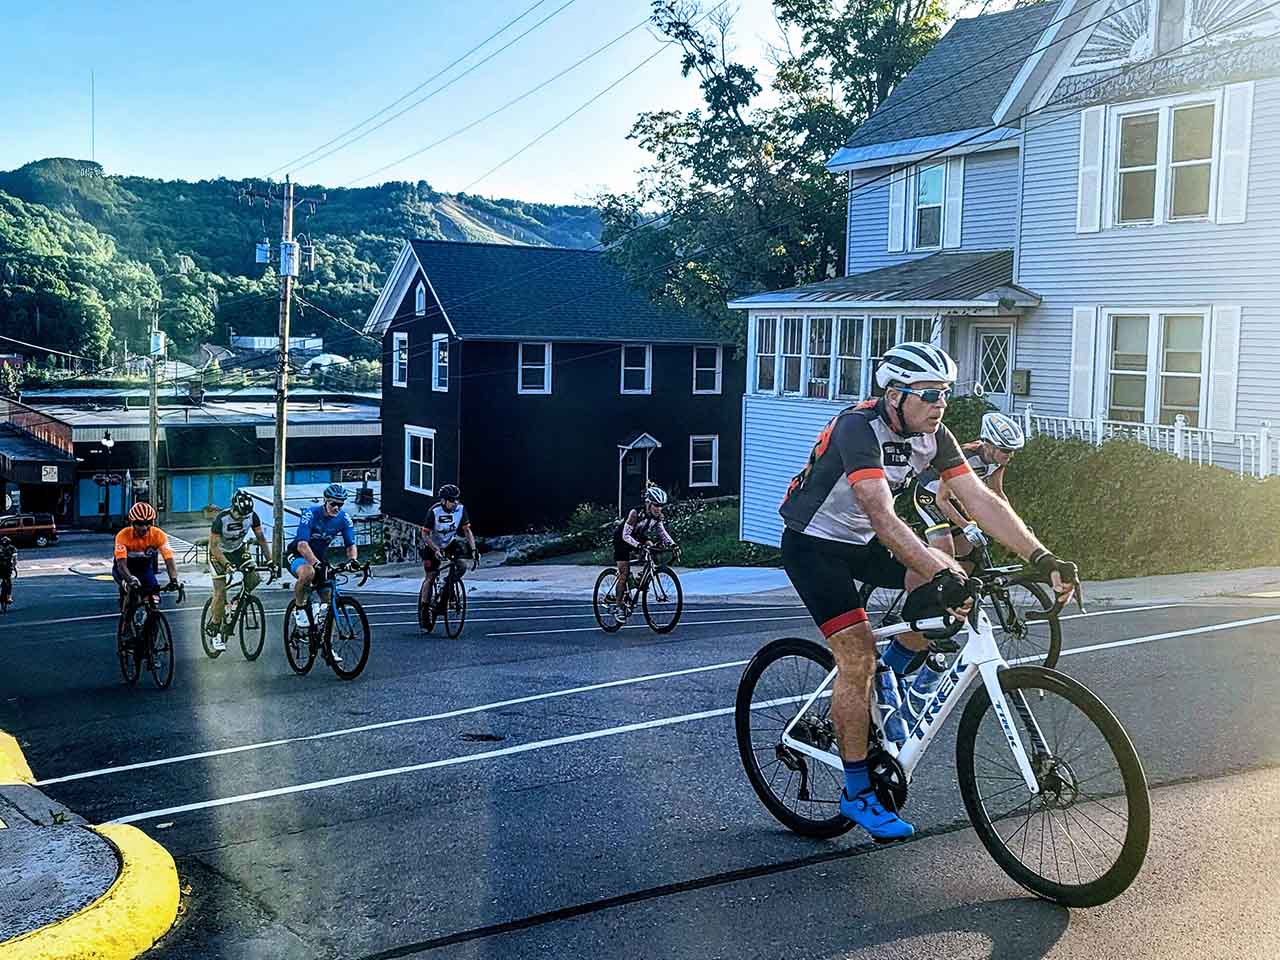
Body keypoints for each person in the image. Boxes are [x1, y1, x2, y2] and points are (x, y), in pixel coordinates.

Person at [779, 342, 1078, 842]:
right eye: (928, 395)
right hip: (814, 545)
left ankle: (893, 671)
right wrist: (941, 569)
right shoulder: (859, 428)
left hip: (864, 540)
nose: (939, 405)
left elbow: (981, 500)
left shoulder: (934, 436)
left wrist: (1041, 557)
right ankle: (856, 791)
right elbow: (882, 514)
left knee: (946, 579)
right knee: (857, 655)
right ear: (894, 396)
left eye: (945, 394)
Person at [913, 411, 1026, 568]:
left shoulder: (998, 461)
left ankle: (956, 589)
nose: (1011, 455)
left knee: (966, 551)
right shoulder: (964, 458)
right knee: (945, 551)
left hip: (954, 496)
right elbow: (941, 499)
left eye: (1013, 450)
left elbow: (997, 493)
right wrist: (966, 526)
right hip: (930, 496)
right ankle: (923, 577)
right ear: (989, 446)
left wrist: (1016, 523)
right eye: (1006, 450)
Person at [287, 482, 358, 638]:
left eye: (341, 504)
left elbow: (350, 544)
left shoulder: (344, 518)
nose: (337, 508)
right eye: (334, 504)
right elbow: (302, 545)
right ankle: (299, 609)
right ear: (325, 501)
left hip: (320, 557)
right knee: (308, 572)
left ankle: (328, 645)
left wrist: (353, 560)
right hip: (298, 554)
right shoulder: (311, 514)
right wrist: (317, 564)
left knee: (329, 601)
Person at [207, 490, 273, 651]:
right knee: (220, 593)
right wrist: (228, 566)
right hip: (219, 553)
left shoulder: (252, 516)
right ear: (233, 508)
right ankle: (215, 629)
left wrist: (270, 561)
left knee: (254, 578)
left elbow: (261, 539)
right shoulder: (221, 519)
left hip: (237, 550)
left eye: (246, 514)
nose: (243, 517)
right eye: (240, 514)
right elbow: (214, 547)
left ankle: (236, 601)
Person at [612, 485, 679, 617]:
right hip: (622, 539)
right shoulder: (635, 513)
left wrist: (673, 545)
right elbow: (625, 536)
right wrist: (638, 546)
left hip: (637, 536)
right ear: (648, 503)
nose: (659, 509)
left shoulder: (658, 516)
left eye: (661, 506)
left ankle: (641, 578)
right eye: (656, 505)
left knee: (651, 545)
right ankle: (619, 606)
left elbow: (662, 532)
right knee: (623, 573)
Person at [113, 502, 180, 621]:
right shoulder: (123, 535)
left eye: (148, 523)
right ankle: (126, 624)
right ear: (132, 523)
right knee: (132, 592)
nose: (144, 527)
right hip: (125, 569)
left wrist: (174, 580)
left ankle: (152, 631)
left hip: (144, 568)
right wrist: (130, 579)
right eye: (139, 524)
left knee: (154, 598)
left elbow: (169, 560)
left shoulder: (158, 535)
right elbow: (121, 564)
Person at [419, 484, 478, 614]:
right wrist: (435, 550)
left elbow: (467, 530)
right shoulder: (434, 512)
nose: (455, 503)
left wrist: (474, 550)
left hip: (449, 543)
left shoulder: (461, 509)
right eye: (452, 500)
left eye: (457, 499)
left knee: (462, 566)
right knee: (431, 577)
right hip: (431, 545)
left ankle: (447, 585)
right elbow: (424, 534)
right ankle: (424, 610)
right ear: (443, 501)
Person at [0, 536, 17, 609]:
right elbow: (15, 560)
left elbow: (14, 559)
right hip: (6, 567)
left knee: (8, 580)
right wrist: (13, 566)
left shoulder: (13, 549)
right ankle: (9, 596)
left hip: (6, 567)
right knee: (8, 581)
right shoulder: (13, 548)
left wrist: (13, 566)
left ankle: (9, 596)